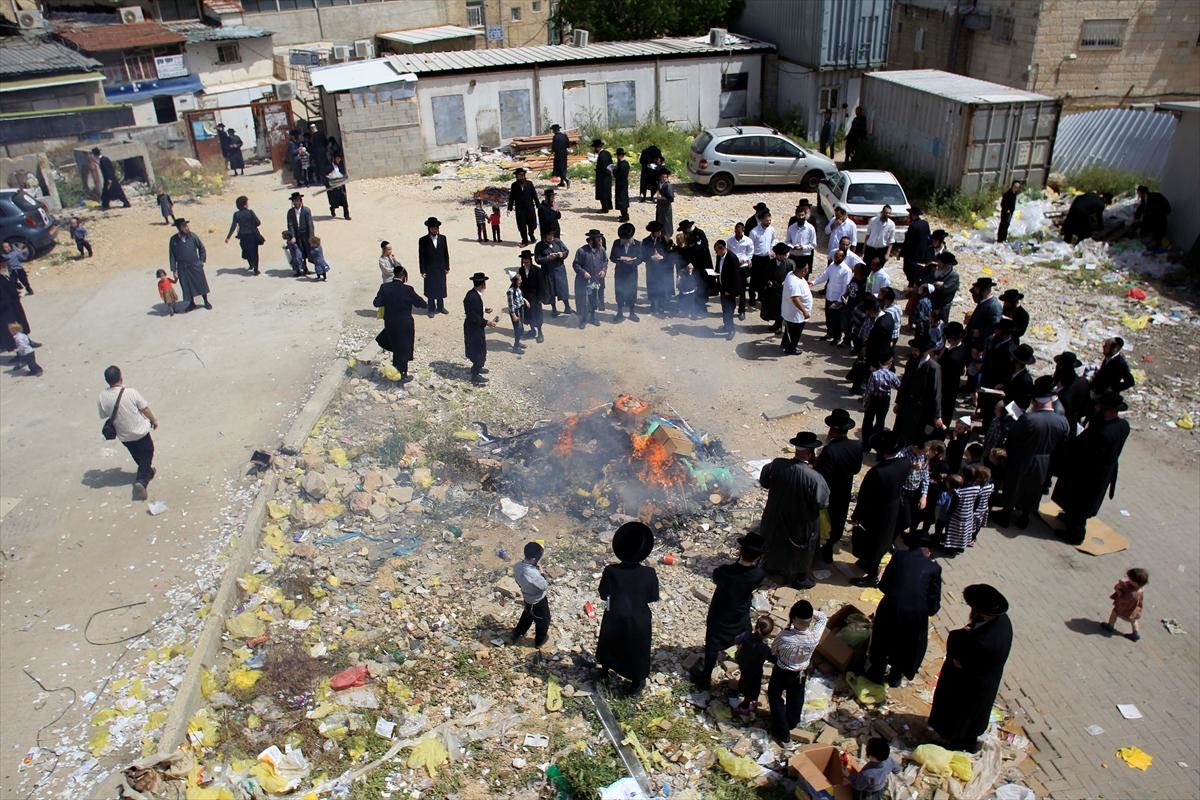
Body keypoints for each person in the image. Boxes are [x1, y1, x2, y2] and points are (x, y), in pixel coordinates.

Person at [928, 584, 1013, 753]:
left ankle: (954, 743)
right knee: (972, 717)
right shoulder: (1002, 621)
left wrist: (962, 641)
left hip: (969, 683)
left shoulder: (983, 643)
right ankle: (968, 741)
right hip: (984, 680)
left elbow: (959, 655)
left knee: (959, 715)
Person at [1051, 390, 1130, 544]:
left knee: (1081, 503)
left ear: (1106, 410)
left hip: (1090, 475)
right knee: (1076, 501)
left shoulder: (1104, 432)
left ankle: (1076, 534)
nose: (1095, 408)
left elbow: (1088, 453)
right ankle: (1069, 517)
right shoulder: (1122, 425)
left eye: (1099, 406)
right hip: (1102, 473)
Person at [690, 532, 766, 689]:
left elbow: (716, 577)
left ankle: (705, 678)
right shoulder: (758, 575)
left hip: (719, 614)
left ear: (740, 551)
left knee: (712, 645)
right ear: (759, 557)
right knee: (743, 640)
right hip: (740, 615)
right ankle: (744, 674)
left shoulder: (724, 571)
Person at [758, 431, 830, 589]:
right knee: (803, 549)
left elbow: (764, 482)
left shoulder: (776, 464)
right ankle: (800, 578)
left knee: (774, 541)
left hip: (775, 516)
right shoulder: (815, 477)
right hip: (801, 523)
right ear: (810, 453)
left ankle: (771, 568)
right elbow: (822, 503)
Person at [998, 376, 1070, 529]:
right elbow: (1063, 443)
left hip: (1023, 458)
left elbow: (1013, 434)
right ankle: (1024, 517)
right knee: (1034, 490)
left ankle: (1006, 514)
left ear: (1036, 402)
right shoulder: (1063, 421)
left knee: (1014, 485)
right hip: (1045, 460)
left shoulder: (1029, 419)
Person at [596, 522, 659, 695]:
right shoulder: (649, 573)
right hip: (638, 619)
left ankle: (605, 671)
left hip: (615, 614)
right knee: (638, 650)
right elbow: (652, 597)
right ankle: (636, 682)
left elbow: (603, 594)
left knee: (609, 643)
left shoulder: (611, 571)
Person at [851, 430, 909, 586]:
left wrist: (856, 517)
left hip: (876, 513)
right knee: (883, 541)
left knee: (873, 543)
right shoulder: (905, 463)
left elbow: (864, 499)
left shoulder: (877, 472)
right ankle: (867, 563)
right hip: (894, 508)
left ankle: (871, 576)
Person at [768, 600, 827, 743]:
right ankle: (792, 722)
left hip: (782, 671)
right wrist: (809, 613)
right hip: (800, 672)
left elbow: (773, 650)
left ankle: (782, 733)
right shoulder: (814, 637)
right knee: (796, 697)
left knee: (775, 698)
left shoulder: (784, 637)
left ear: (793, 618)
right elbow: (823, 618)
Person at [97, 365, 159, 500]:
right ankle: (141, 481)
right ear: (121, 377)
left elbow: (103, 415)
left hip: (124, 435)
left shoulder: (102, 397)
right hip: (140, 431)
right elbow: (145, 409)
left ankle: (147, 471)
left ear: (107, 381)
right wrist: (154, 420)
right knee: (148, 452)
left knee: (137, 455)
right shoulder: (131, 392)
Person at [815, 409, 864, 563]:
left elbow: (822, 477)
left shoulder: (829, 450)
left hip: (830, 493)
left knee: (824, 522)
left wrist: (817, 460)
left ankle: (822, 549)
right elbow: (856, 469)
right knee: (839, 519)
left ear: (831, 430)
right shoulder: (856, 446)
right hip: (845, 490)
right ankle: (830, 545)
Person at [373, 264, 426, 382]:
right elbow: (421, 304)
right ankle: (402, 375)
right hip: (404, 323)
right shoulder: (408, 289)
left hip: (390, 323)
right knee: (404, 348)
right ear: (403, 277)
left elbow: (376, 303)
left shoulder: (384, 287)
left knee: (396, 347)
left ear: (394, 275)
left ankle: (395, 372)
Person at [895, 334, 944, 445]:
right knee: (900, 432)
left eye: (916, 350)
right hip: (906, 405)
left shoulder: (933, 368)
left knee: (914, 437)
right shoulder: (911, 362)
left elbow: (936, 393)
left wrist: (937, 415)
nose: (913, 352)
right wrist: (898, 402)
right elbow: (904, 384)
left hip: (920, 411)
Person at [511, 541, 551, 648]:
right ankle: (539, 642)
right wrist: (542, 572)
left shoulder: (517, 566)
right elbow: (544, 586)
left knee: (527, 615)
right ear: (534, 559)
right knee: (544, 620)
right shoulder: (534, 575)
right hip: (538, 601)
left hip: (527, 597)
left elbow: (518, 581)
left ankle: (517, 633)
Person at [812, 249, 853, 344]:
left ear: (843, 257)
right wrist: (813, 282)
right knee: (829, 317)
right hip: (829, 296)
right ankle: (829, 334)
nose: (835, 258)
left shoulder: (846, 270)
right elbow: (824, 276)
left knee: (837, 320)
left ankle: (837, 338)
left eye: (838, 257)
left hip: (837, 299)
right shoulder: (832, 265)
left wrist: (839, 301)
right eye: (835, 256)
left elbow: (845, 288)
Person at [733, 616, 774, 713]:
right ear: (768, 635)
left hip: (743, 664)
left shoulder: (746, 635)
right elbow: (773, 658)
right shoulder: (764, 648)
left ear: (755, 626)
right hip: (755, 670)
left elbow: (736, 640)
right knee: (754, 686)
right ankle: (746, 705)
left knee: (744, 680)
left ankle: (742, 694)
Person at [168, 219, 211, 311]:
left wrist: (201, 261)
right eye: (184, 227)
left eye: (186, 226)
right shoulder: (173, 240)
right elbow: (172, 256)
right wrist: (174, 270)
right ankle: (192, 303)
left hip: (195, 264)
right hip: (182, 267)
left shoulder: (193, 236)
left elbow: (202, 248)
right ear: (179, 228)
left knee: (201, 283)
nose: (186, 228)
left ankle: (206, 301)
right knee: (186, 285)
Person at [463, 272, 497, 384]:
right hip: (474, 328)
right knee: (479, 351)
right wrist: (487, 322)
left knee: (476, 349)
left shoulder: (471, 294)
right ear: (483, 284)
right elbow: (472, 315)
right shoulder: (473, 297)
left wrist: (484, 309)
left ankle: (477, 367)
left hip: (472, 327)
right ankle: (475, 375)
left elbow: (472, 309)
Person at [861, 350, 900, 447]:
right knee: (880, 421)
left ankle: (866, 443)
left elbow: (869, 391)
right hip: (884, 400)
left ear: (879, 362)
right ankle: (875, 441)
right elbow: (900, 387)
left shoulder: (874, 374)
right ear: (889, 363)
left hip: (873, 400)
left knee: (868, 420)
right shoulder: (892, 375)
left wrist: (865, 403)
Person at [572, 229, 606, 328]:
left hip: (596, 281)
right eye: (599, 240)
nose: (601, 241)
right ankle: (584, 319)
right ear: (591, 240)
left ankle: (593, 317)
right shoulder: (581, 251)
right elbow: (576, 265)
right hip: (583, 282)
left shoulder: (602, 250)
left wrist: (603, 270)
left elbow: (605, 261)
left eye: (601, 239)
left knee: (593, 300)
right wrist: (583, 273)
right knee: (584, 301)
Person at [1103, 567, 1147, 642]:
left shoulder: (1131, 593)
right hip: (1134, 609)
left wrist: (1118, 590)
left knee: (1114, 613)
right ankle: (1136, 633)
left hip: (1124, 608)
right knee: (1134, 620)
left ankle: (1110, 626)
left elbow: (1122, 599)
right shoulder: (1140, 589)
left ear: (1135, 583)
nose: (1128, 580)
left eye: (1130, 579)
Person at [418, 216, 450, 317]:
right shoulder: (423, 240)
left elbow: (446, 253)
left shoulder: (443, 238)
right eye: (433, 228)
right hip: (429, 268)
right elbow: (421, 256)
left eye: (436, 228)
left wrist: (447, 267)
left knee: (440, 287)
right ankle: (431, 309)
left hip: (440, 268)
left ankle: (440, 307)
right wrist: (422, 270)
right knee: (431, 288)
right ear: (429, 228)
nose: (435, 230)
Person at [534, 228, 571, 316]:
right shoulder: (539, 245)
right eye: (549, 235)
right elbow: (537, 259)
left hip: (559, 270)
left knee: (563, 289)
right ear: (544, 236)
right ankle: (554, 309)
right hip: (548, 271)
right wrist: (547, 258)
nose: (551, 237)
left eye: (552, 235)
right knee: (551, 291)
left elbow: (566, 251)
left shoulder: (558, 242)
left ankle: (567, 307)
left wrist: (562, 254)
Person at [610, 223, 642, 323]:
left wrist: (633, 261)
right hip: (620, 272)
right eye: (622, 239)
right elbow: (612, 257)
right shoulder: (616, 243)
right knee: (619, 292)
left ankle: (632, 312)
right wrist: (621, 259)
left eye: (626, 239)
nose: (624, 241)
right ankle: (619, 312)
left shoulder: (638, 244)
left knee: (632, 292)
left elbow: (640, 258)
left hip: (632, 273)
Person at [781, 254, 813, 354]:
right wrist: (804, 311)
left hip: (792, 313)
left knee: (789, 331)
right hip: (795, 315)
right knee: (795, 333)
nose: (808, 270)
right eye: (807, 268)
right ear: (804, 270)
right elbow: (795, 298)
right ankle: (791, 349)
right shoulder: (794, 282)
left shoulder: (792, 274)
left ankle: (785, 344)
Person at [225, 195, 263, 275]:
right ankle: (256, 270)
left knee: (246, 251)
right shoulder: (250, 212)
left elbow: (233, 226)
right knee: (254, 252)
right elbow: (258, 222)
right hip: (253, 235)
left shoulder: (236, 214)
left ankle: (251, 265)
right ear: (245, 205)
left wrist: (228, 237)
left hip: (243, 236)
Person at [1089, 336, 1135, 401]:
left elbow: (1130, 382)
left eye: (1106, 346)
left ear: (1115, 349)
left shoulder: (1120, 364)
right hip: (1097, 390)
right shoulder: (1109, 356)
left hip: (1105, 396)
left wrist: (1113, 388)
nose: (1103, 347)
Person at [642, 220, 672, 315]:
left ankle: (661, 306)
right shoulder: (646, 241)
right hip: (651, 268)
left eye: (660, 231)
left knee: (661, 286)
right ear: (653, 232)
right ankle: (653, 305)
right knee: (652, 286)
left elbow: (669, 253)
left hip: (662, 267)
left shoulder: (664, 240)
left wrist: (662, 257)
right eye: (657, 231)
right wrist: (651, 257)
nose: (659, 233)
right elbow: (643, 255)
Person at [748, 211, 777, 309]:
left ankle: (761, 297)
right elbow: (750, 246)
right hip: (756, 258)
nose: (769, 222)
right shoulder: (754, 232)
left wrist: (772, 250)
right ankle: (752, 298)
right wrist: (749, 259)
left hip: (766, 258)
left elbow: (773, 240)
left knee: (765, 278)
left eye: (770, 220)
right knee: (754, 279)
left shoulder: (771, 229)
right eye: (766, 220)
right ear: (761, 220)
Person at [517, 250, 546, 343]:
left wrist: (541, 298)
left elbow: (541, 285)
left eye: (527, 262)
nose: (526, 264)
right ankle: (532, 330)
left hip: (535, 297)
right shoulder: (521, 270)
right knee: (528, 315)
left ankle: (540, 332)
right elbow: (520, 284)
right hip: (525, 297)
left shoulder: (537, 270)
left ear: (530, 260)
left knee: (537, 315)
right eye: (524, 262)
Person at [714, 239, 742, 338]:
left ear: (722, 249)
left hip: (729, 290)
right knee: (725, 309)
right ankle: (727, 326)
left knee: (729, 310)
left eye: (717, 251)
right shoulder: (719, 256)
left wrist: (730, 291)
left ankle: (731, 330)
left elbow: (736, 277)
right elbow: (718, 268)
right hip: (722, 288)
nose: (716, 253)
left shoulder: (732, 258)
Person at [726, 222, 754, 319]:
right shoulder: (730, 240)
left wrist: (744, 259)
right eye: (736, 232)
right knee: (732, 289)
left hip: (743, 267)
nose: (738, 234)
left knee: (742, 290)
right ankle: (731, 308)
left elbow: (750, 253)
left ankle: (742, 311)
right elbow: (728, 252)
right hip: (733, 267)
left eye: (739, 232)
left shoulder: (748, 241)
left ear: (743, 231)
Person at [900, 206, 932, 284]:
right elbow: (929, 237)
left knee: (908, 269)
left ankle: (912, 285)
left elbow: (908, 241)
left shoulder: (913, 226)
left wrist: (901, 253)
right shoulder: (925, 223)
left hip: (912, 254)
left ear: (912, 215)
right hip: (923, 253)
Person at [507, 168, 539, 245]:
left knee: (533, 224)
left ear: (524, 175)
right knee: (522, 226)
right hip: (520, 209)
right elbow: (511, 197)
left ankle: (531, 234)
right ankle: (524, 240)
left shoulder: (529, 183)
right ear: (516, 176)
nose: (520, 176)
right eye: (519, 175)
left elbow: (534, 195)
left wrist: (538, 205)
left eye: (522, 175)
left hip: (530, 208)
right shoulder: (514, 185)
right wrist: (509, 208)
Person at [287, 192, 315, 269]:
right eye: (295, 200)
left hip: (305, 234)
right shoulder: (290, 212)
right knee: (299, 251)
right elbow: (290, 225)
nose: (297, 202)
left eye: (298, 200)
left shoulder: (306, 210)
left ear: (301, 200)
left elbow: (310, 224)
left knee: (308, 250)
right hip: (297, 234)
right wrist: (292, 236)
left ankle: (309, 267)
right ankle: (302, 267)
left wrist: (311, 236)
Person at [506, 271, 529, 352]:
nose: (521, 281)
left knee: (520, 327)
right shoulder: (510, 291)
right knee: (517, 328)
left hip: (520, 309)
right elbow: (510, 305)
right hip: (515, 312)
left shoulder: (517, 288)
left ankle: (518, 342)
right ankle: (516, 346)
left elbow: (520, 296)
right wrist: (513, 315)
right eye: (519, 280)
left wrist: (525, 300)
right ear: (515, 281)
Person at [326, 154, 350, 219]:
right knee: (334, 203)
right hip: (333, 188)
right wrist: (328, 186)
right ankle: (332, 209)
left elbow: (343, 175)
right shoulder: (329, 167)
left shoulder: (341, 166)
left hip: (341, 187)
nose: (338, 160)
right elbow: (326, 178)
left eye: (339, 159)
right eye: (337, 159)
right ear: (334, 159)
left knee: (344, 201)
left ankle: (346, 215)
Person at [592, 138, 613, 212]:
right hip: (608, 176)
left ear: (598, 147)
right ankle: (609, 206)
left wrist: (597, 170)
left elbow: (603, 167)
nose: (594, 149)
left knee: (602, 192)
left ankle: (605, 208)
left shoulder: (601, 155)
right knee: (608, 191)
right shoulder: (607, 153)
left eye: (595, 148)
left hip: (602, 177)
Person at [549, 123, 571, 188]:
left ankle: (566, 180)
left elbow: (554, 147)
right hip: (564, 154)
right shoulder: (565, 135)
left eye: (553, 130)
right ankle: (562, 183)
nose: (552, 131)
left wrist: (552, 151)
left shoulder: (555, 137)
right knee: (563, 167)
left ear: (555, 130)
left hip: (558, 154)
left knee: (558, 168)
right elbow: (568, 145)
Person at [655, 167, 674, 235]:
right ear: (660, 177)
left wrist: (661, 198)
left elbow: (671, 199)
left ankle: (667, 236)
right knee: (659, 222)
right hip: (660, 207)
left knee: (666, 223)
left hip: (666, 208)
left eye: (665, 177)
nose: (664, 178)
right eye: (662, 177)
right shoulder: (659, 183)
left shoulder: (668, 185)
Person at [613, 148, 631, 222]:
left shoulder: (623, 164)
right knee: (621, 199)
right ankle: (623, 215)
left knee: (622, 200)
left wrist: (614, 170)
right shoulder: (624, 163)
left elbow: (619, 175)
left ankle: (625, 216)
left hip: (621, 184)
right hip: (622, 184)